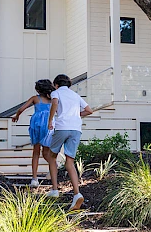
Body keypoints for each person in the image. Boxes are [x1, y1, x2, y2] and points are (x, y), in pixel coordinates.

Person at [44, 74, 93, 207]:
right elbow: (89, 110)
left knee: (51, 156)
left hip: (62, 127)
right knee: (69, 162)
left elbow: (54, 103)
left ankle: (54, 189)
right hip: (76, 129)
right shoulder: (76, 95)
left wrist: (50, 120)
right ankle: (77, 194)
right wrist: (78, 115)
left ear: (56, 85)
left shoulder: (56, 92)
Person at [11, 78, 54, 189]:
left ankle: (34, 178)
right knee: (46, 152)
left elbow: (21, 109)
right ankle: (53, 167)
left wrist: (16, 116)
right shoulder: (53, 99)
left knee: (36, 152)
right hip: (48, 125)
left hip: (36, 126)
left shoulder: (35, 98)